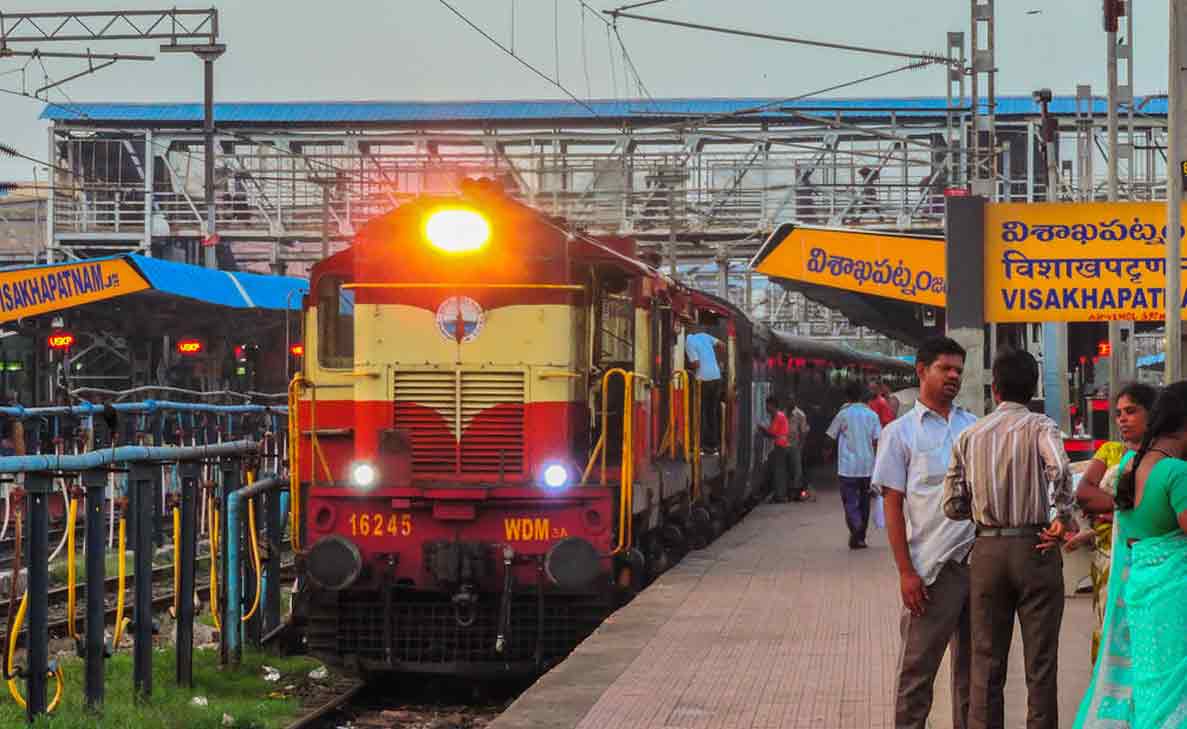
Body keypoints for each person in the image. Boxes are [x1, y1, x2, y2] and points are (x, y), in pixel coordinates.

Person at [942, 349, 1075, 729]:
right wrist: (1061, 517)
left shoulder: (970, 435)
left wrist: (980, 513)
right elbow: (1060, 469)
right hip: (1036, 547)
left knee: (985, 660)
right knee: (1041, 664)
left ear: (994, 390)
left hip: (986, 550)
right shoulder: (1041, 427)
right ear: (1032, 390)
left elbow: (951, 504)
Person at [873, 336, 976, 729]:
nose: (953, 376)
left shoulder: (974, 428)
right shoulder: (899, 434)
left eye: (958, 371)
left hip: (977, 564)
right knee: (917, 673)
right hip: (931, 571)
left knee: (976, 672)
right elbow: (892, 505)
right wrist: (905, 572)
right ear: (921, 371)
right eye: (944, 369)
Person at [1074, 381, 1187, 728]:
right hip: (1174, 594)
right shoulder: (1176, 473)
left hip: (1140, 589)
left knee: (1151, 682)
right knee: (1175, 687)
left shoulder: (1130, 466)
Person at [1066, 382, 1156, 665]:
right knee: (1108, 634)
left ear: (1151, 414)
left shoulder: (1161, 457)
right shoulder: (1110, 452)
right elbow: (1084, 494)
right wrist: (1126, 506)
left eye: (1131, 411)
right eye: (1119, 413)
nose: (1123, 419)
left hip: (1148, 560)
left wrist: (1114, 509)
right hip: (1107, 559)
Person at [826, 379, 882, 549]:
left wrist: (827, 452)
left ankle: (856, 526)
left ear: (847, 396)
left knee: (850, 500)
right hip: (867, 467)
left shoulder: (843, 414)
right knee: (865, 502)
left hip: (847, 468)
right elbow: (878, 440)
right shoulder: (872, 415)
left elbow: (830, 436)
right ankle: (860, 538)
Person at [684, 325, 725, 453]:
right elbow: (722, 344)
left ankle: (701, 445)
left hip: (703, 379)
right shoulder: (705, 336)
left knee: (700, 412)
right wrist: (714, 361)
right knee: (712, 412)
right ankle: (713, 445)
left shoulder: (688, 341)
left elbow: (696, 364)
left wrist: (687, 368)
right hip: (716, 376)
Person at [759, 395, 792, 503]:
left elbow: (772, 433)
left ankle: (780, 496)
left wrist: (762, 430)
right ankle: (780, 494)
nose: (766, 408)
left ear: (772, 405)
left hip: (780, 446)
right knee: (779, 471)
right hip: (781, 445)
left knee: (779, 472)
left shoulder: (778, 416)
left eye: (767, 405)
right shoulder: (780, 416)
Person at [788, 395, 810, 500]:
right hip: (784, 446)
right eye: (788, 400)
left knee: (797, 470)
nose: (789, 402)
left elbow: (804, 432)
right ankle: (788, 491)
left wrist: (801, 446)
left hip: (795, 445)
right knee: (787, 470)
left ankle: (796, 492)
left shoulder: (800, 415)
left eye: (791, 400)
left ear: (795, 401)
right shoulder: (782, 413)